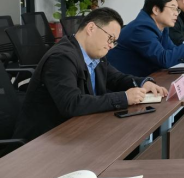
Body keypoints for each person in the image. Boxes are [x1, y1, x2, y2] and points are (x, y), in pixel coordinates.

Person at [13, 8, 168, 141]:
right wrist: (124, 98)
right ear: (91, 28)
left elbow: (116, 78)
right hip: (46, 140)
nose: (111, 45)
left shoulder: (95, 55)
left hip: (78, 129)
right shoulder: (61, 58)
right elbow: (72, 104)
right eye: (110, 38)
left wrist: (143, 83)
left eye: (114, 42)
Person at [108, 0, 184, 76]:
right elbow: (163, 60)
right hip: (123, 83)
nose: (176, 14)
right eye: (172, 8)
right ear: (156, 10)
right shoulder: (141, 28)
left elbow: (170, 50)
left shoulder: (162, 27)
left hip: (146, 77)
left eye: (177, 10)